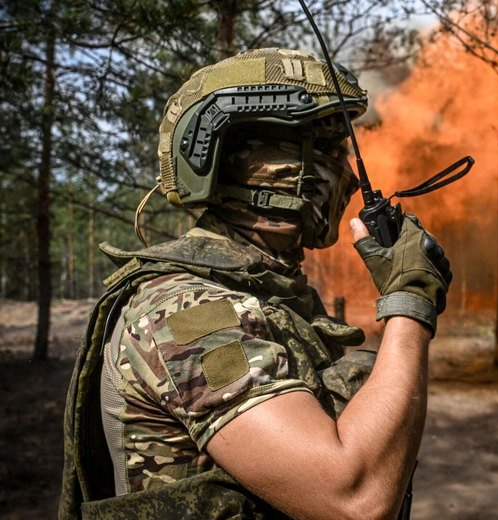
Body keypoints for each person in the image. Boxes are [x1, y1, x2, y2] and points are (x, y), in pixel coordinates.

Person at [60, 48, 452, 520]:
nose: (347, 174)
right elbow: (354, 498)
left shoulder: (266, 291)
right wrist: (409, 301)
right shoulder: (188, 313)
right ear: (255, 166)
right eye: (327, 150)